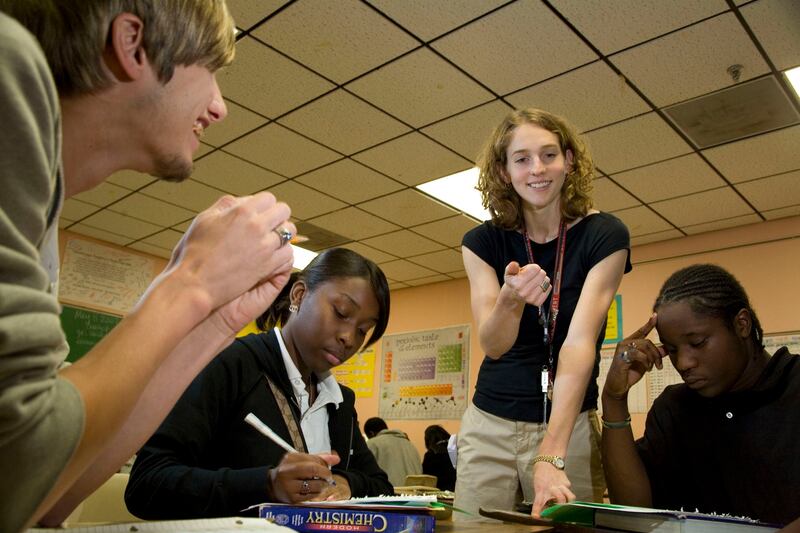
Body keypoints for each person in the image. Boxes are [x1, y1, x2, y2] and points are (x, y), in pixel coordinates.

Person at [0, 2, 295, 531]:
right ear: (133, 43)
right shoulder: (7, 59)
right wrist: (189, 285)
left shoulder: (40, 212)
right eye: (211, 72)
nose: (219, 107)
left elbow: (47, 490)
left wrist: (214, 319)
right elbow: (15, 463)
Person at [125, 248, 394, 518]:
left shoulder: (339, 402)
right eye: (341, 312)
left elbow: (382, 487)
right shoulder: (229, 364)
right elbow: (147, 484)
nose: (349, 338)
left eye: (363, 330)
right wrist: (266, 483)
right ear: (299, 295)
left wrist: (348, 483)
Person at [457, 108, 631, 519]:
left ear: (569, 161)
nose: (537, 169)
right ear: (503, 171)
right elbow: (493, 345)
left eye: (549, 155)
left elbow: (579, 341)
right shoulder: (481, 243)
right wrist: (510, 299)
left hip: (569, 424)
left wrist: (551, 455)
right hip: (491, 422)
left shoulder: (605, 235)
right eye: (521, 159)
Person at [602, 264, 800, 529]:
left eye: (697, 343)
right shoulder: (674, 408)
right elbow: (634, 516)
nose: (683, 363)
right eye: (671, 349)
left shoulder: (794, 385)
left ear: (741, 324)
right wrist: (613, 400)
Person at [364, 417, 422, 488]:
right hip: (415, 495)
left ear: (371, 433)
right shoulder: (410, 445)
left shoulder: (372, 443)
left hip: (390, 495)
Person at [422, 425, 456, 491]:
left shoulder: (430, 455)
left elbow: (426, 478)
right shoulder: (455, 449)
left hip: (438, 493)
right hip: (457, 491)